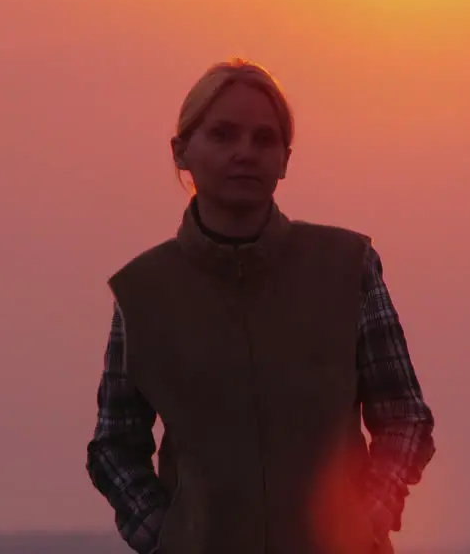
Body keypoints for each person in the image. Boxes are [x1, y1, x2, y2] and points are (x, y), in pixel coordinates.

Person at [85, 58, 436, 554]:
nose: (245, 152)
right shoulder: (145, 292)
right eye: (223, 135)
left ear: (285, 159)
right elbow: (115, 444)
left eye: (263, 139)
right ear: (182, 151)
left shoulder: (347, 267)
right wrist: (166, 537)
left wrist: (369, 518)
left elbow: (404, 416)